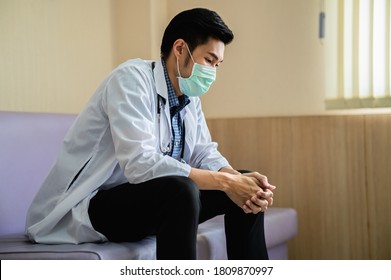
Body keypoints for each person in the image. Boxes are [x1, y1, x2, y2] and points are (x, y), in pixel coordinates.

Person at [26, 7, 275, 260]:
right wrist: (226, 182)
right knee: (181, 191)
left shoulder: (189, 96)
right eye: (209, 60)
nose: (212, 72)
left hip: (147, 202)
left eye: (217, 64)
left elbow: (203, 151)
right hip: (89, 207)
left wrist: (236, 179)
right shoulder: (130, 80)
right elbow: (140, 165)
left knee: (247, 188)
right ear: (180, 49)